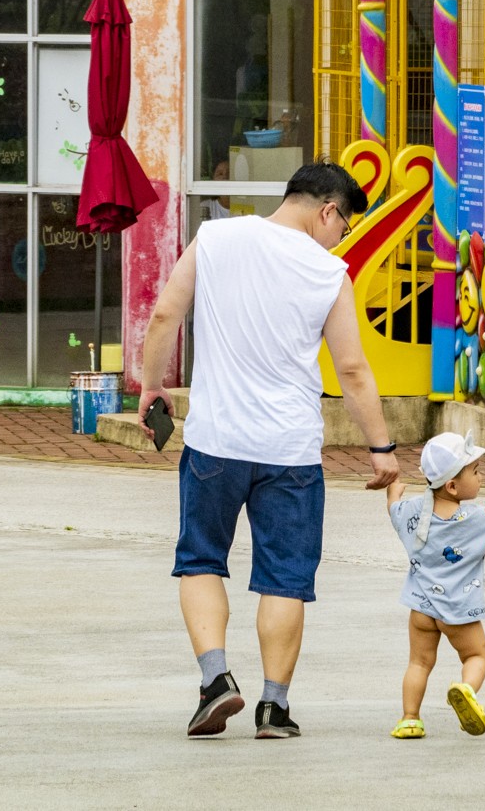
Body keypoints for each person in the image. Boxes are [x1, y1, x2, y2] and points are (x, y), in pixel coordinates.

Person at [137, 161, 399, 741]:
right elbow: (352, 370)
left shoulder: (217, 237)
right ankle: (273, 709)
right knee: (284, 577)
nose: (341, 237)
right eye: (345, 226)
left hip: (215, 442)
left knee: (202, 559)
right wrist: (381, 448)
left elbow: (164, 315)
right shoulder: (329, 272)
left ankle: (215, 681)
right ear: (328, 210)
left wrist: (151, 385)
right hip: (290, 451)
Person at [384, 433, 485, 740]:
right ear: (452, 486)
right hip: (458, 610)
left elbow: (393, 511)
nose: (481, 476)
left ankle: (410, 718)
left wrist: (393, 492)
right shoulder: (474, 519)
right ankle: (466, 690)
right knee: (475, 657)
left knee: (419, 662)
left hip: (420, 608)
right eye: (475, 472)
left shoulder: (412, 512)